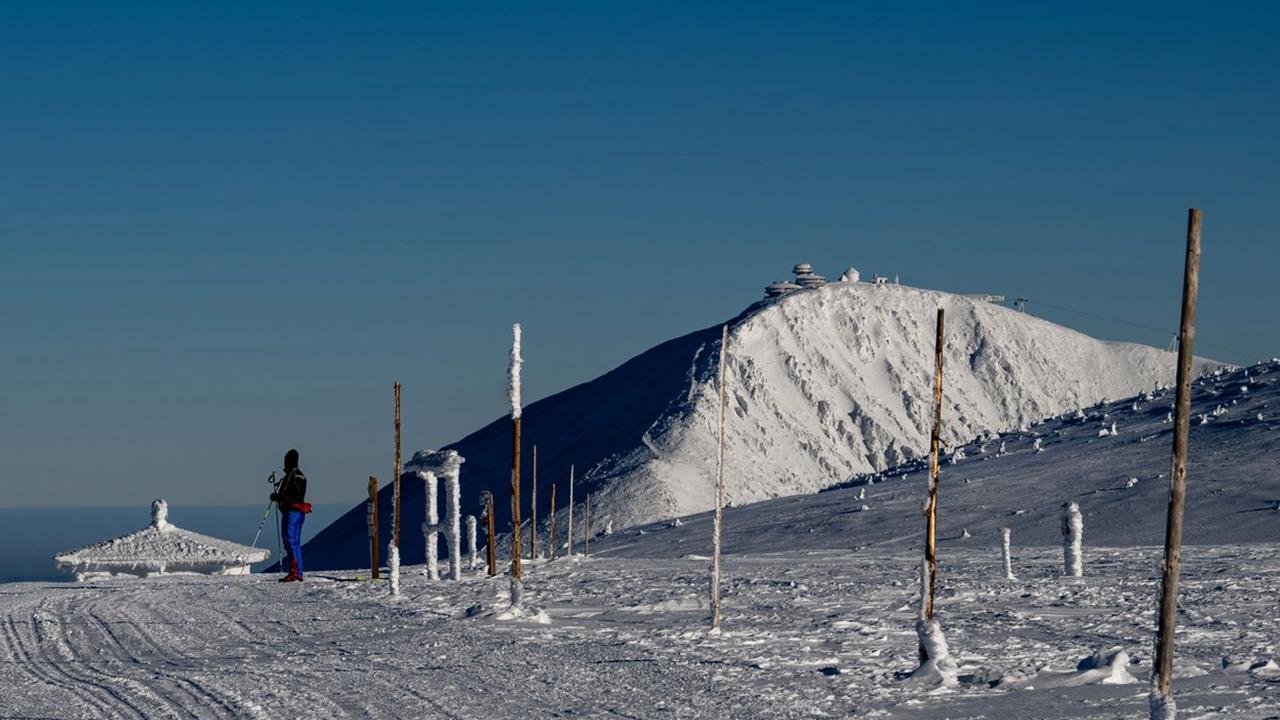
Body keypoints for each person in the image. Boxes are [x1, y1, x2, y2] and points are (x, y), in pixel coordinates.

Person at [271, 449, 311, 582]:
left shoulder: (292, 475)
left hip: (292, 512)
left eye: (285, 460)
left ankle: (294, 572)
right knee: (295, 542)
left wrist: (279, 497)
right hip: (298, 512)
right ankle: (298, 571)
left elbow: (294, 496)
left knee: (290, 540)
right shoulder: (300, 475)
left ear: (289, 461)